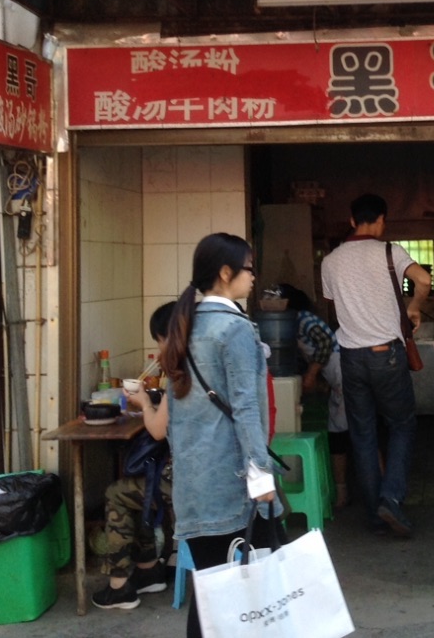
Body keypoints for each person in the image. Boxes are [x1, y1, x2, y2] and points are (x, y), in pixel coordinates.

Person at [160, 233, 283, 638]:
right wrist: (261, 475)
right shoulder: (235, 329)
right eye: (249, 268)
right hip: (233, 484)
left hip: (194, 486)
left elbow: (176, 419)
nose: (254, 277)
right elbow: (247, 409)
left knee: (212, 594)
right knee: (245, 598)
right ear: (226, 273)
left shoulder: (185, 326)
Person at [321, 192, 431, 538]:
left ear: (352, 221)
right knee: (402, 425)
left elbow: (331, 302)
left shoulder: (330, 261)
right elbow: (424, 280)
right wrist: (414, 307)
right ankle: (391, 498)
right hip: (387, 355)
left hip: (351, 358)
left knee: (363, 434)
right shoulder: (390, 252)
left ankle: (374, 514)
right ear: (381, 220)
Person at [92, 301, 177, 610]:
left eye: (159, 340)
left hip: (184, 484)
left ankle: (119, 587)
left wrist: (143, 402)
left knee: (117, 494)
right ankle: (148, 570)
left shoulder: (182, 375)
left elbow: (157, 430)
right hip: (204, 476)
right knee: (139, 487)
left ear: (169, 337)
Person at [280, 282, 351, 508]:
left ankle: (352, 492)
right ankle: (345, 491)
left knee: (347, 434)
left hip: (345, 375)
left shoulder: (303, 318)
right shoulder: (293, 323)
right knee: (349, 432)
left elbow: (324, 342)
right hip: (337, 380)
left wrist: (312, 374)